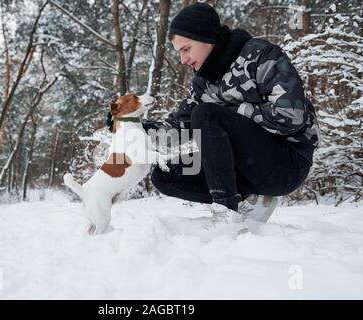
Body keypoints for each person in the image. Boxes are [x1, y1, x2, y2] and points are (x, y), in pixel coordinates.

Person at [107, 3, 320, 227]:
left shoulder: (261, 56)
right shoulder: (203, 82)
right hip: (244, 167)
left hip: (286, 163)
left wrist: (231, 112)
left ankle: (227, 212)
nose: (183, 59)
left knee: (207, 114)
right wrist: (130, 125)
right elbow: (177, 128)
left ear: (206, 38)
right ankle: (250, 198)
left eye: (186, 49)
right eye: (179, 52)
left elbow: (292, 116)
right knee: (165, 174)